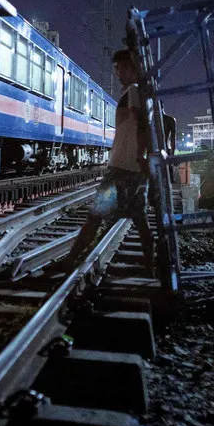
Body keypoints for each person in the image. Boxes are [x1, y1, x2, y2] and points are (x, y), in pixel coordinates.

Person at [62, 49, 155, 273]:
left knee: (96, 214)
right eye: (117, 69)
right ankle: (152, 264)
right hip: (130, 167)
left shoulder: (133, 92)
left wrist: (140, 155)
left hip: (122, 167)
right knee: (139, 216)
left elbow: (142, 125)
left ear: (134, 70)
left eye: (123, 68)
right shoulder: (136, 92)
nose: (119, 73)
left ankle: (71, 260)